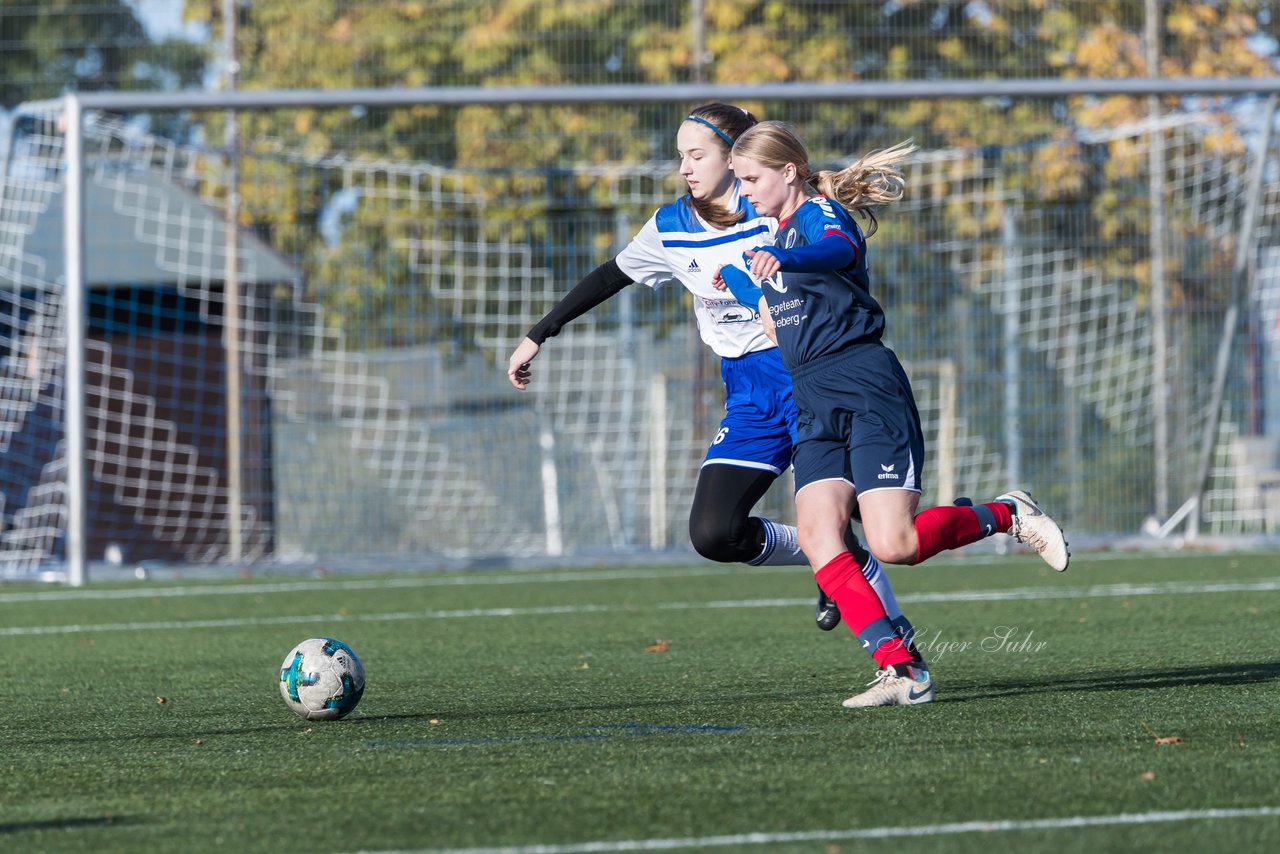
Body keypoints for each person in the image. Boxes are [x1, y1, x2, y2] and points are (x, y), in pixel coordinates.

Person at [506, 103, 920, 652]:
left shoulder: (776, 208)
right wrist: (540, 333)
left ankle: (890, 638)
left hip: (806, 378)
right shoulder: (670, 226)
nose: (685, 167)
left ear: (735, 156)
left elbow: (832, 249)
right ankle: (836, 554)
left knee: (880, 523)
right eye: (680, 156)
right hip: (747, 391)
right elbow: (610, 275)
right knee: (714, 533)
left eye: (696, 154)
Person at [716, 121, 1069, 708]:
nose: (744, 190)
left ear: (788, 172)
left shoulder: (817, 217)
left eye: (751, 178)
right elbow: (786, 321)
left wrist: (779, 257)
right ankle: (901, 669)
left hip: (865, 386)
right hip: (812, 399)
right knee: (817, 533)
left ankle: (1007, 514)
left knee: (894, 544)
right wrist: (746, 289)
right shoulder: (771, 239)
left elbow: (842, 250)